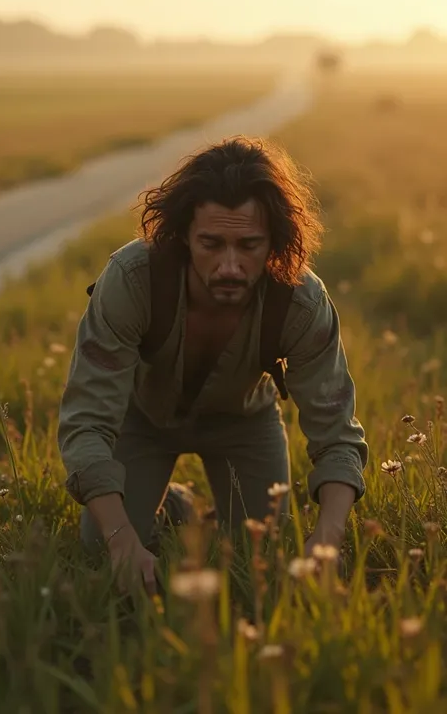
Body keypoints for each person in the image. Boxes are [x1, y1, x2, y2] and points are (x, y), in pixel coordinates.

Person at [57, 136, 368, 596]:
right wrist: (123, 541)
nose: (229, 265)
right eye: (211, 243)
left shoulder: (300, 300)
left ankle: (186, 506)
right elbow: (86, 421)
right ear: (183, 235)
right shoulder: (131, 280)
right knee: (101, 546)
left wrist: (327, 540)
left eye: (248, 245)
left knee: (258, 552)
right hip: (143, 419)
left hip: (244, 422)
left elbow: (337, 433)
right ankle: (174, 506)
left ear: (273, 242)